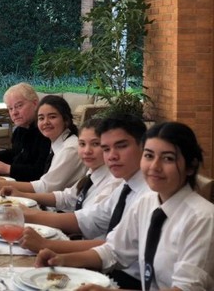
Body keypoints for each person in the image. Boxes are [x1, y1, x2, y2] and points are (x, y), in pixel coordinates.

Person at [36, 122, 214, 290]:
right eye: (149, 156)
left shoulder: (203, 218)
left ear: (191, 166)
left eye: (168, 158)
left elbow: (185, 288)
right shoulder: (149, 202)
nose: (154, 166)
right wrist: (60, 260)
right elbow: (113, 251)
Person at [19, 114, 149, 289]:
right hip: (108, 268)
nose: (111, 156)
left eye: (121, 146)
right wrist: (60, 256)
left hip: (129, 280)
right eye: (106, 148)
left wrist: (48, 245)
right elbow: (88, 221)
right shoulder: (126, 187)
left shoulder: (147, 195)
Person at [0, 118, 122, 212]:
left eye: (95, 144)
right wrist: (22, 195)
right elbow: (67, 197)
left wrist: (33, 215)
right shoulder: (92, 173)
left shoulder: (112, 184)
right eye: (82, 144)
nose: (87, 151)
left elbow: (85, 221)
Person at [0, 94, 86, 193]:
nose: (45, 122)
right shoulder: (57, 142)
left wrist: (1, 185)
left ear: (66, 120)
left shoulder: (69, 148)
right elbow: (15, 153)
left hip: (57, 209)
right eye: (41, 118)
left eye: (52, 117)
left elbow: (45, 187)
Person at [0, 83, 51, 181]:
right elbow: (14, 154)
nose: (14, 113)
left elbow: (40, 172)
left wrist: (9, 169)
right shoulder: (20, 130)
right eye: (10, 108)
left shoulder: (46, 132)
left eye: (19, 106)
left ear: (35, 103)